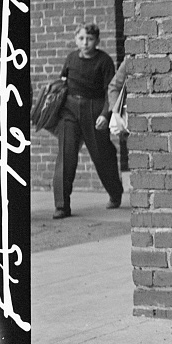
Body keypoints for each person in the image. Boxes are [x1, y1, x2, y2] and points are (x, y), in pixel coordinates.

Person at [51, 23, 123, 219]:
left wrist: (105, 114)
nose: (85, 43)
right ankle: (62, 205)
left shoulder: (104, 61)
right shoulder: (71, 58)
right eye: (82, 38)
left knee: (102, 155)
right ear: (76, 39)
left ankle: (115, 193)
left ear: (97, 41)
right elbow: (63, 82)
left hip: (95, 110)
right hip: (70, 110)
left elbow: (110, 90)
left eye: (90, 39)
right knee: (66, 155)